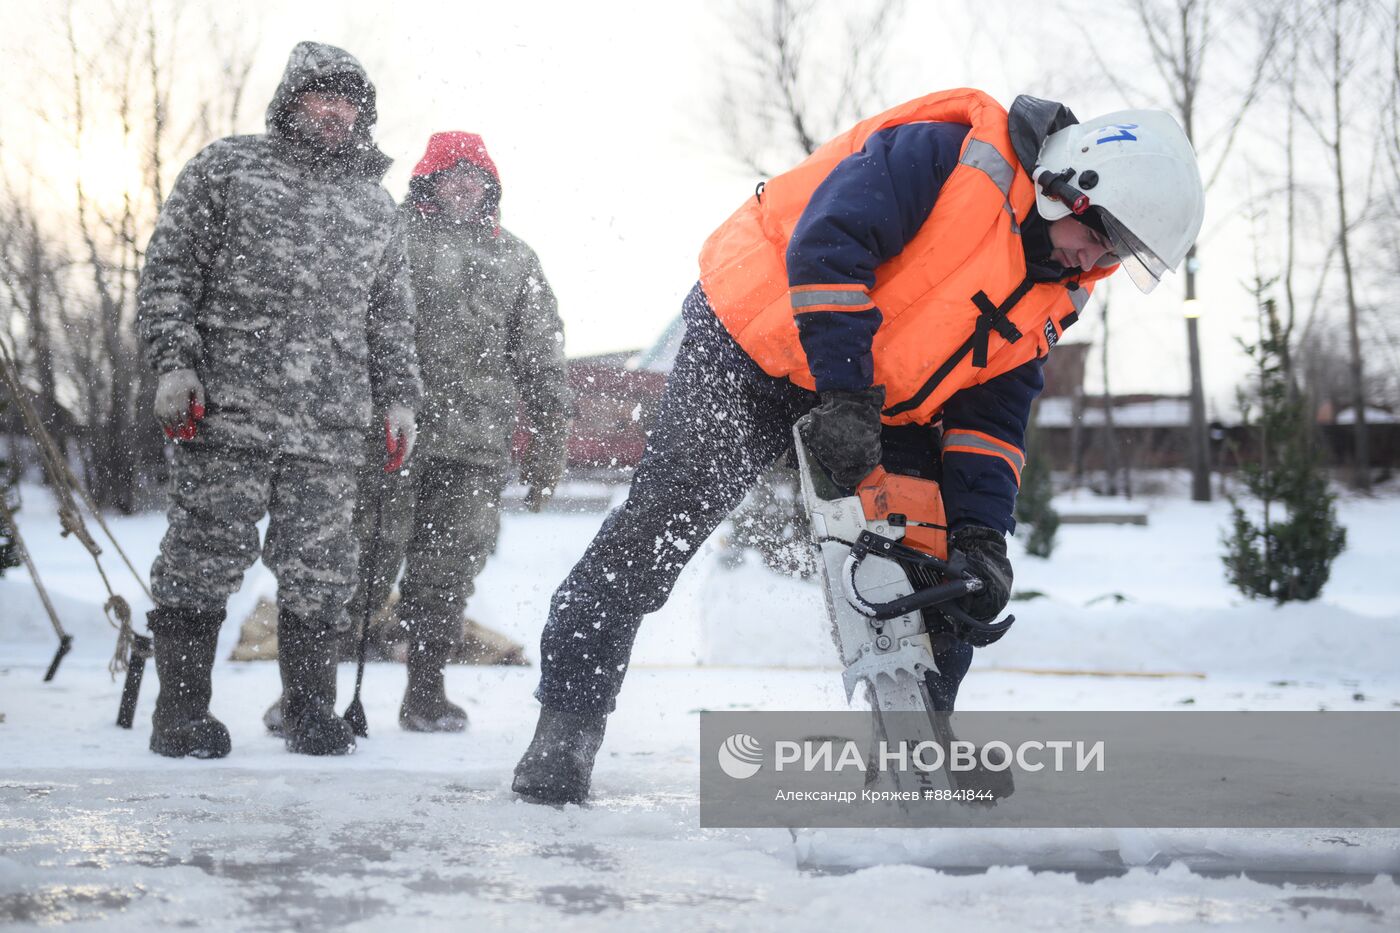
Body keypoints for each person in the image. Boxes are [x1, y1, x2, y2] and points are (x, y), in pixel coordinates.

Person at [512, 90, 1205, 803]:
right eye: (1104, 235)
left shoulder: (1062, 285)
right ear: (1075, 186)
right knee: (657, 529)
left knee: (937, 566)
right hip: (758, 336)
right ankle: (565, 727)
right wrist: (843, 395)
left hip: (876, 389)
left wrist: (982, 533)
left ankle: (920, 754)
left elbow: (992, 414)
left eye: (1120, 250)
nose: (1101, 258)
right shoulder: (950, 154)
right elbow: (829, 244)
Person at [136, 41, 421, 759]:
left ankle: (308, 711)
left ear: (362, 112)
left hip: (329, 426)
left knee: (323, 572)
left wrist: (399, 401)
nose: (333, 109)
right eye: (319, 95)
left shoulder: (374, 205)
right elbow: (170, 271)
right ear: (290, 102)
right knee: (203, 556)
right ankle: (179, 716)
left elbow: (390, 317)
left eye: (347, 98)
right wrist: (175, 365)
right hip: (226, 413)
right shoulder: (227, 168)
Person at [263, 132, 570, 735]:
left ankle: (426, 695)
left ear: (492, 187)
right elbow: (338, 323)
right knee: (354, 569)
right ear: (427, 179)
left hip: (475, 449)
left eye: (477, 177)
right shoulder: (387, 234)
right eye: (452, 175)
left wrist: (548, 440)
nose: (465, 186)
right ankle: (305, 696)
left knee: (448, 573)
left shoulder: (514, 257)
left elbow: (541, 353)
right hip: (384, 439)